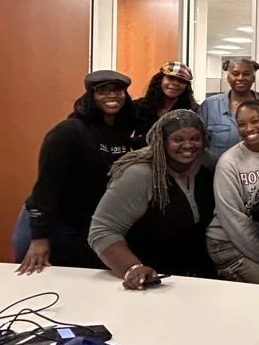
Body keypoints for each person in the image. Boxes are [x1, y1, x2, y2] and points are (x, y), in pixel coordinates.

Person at [13, 70, 136, 274]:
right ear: (91, 95)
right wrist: (39, 238)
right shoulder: (68, 132)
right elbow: (46, 187)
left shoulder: (121, 133)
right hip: (51, 223)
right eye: (103, 91)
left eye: (118, 90)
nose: (112, 96)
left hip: (84, 223)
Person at [87, 110, 216, 289]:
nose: (188, 145)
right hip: (150, 282)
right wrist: (133, 268)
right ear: (161, 142)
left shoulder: (206, 165)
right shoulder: (140, 174)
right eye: (178, 139)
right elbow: (102, 231)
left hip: (195, 279)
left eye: (195, 139)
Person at [207, 100, 259, 285]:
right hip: (228, 243)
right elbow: (234, 221)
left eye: (254, 121)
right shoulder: (229, 162)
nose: (249, 128)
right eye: (242, 124)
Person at [199, 58, 259, 159]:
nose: (241, 78)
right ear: (228, 78)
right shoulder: (210, 106)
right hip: (216, 171)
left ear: (254, 78)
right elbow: (198, 140)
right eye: (235, 74)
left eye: (246, 74)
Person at [133, 61, 199, 139]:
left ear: (186, 87)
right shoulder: (138, 106)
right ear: (160, 80)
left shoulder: (192, 111)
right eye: (171, 78)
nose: (175, 83)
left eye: (181, 81)